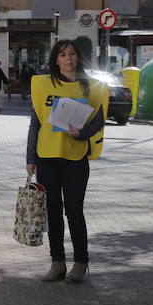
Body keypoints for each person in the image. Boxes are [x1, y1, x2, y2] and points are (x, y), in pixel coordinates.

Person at [26, 39, 108, 284]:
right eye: (63, 54)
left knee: (74, 210)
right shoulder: (42, 85)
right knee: (53, 211)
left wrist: (81, 133)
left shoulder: (91, 87)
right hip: (47, 156)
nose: (68, 58)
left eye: (72, 54)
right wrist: (30, 157)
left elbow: (98, 120)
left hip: (75, 157)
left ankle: (81, 263)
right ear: (56, 59)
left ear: (77, 58)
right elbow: (35, 123)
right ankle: (57, 262)